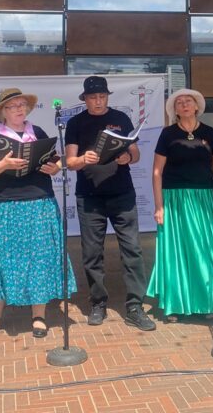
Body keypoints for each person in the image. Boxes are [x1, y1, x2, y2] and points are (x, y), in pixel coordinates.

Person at [0, 87, 76, 339]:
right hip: (2, 206)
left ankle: (38, 315)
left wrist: (55, 167)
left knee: (39, 259)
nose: (20, 109)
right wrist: (3, 164)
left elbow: (57, 162)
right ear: (3, 112)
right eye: (13, 106)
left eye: (22, 105)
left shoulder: (37, 132)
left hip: (38, 203)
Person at [65, 75, 155, 331]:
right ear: (85, 99)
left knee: (132, 249)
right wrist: (83, 159)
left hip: (122, 193)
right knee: (92, 253)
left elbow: (135, 153)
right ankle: (98, 303)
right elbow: (70, 162)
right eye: (93, 97)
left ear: (107, 96)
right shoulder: (75, 123)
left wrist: (128, 157)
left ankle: (135, 306)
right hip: (89, 196)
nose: (98, 101)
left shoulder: (121, 118)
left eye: (102, 96)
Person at [147, 88, 213, 321]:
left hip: (204, 198)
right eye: (179, 102)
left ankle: (210, 302)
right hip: (174, 199)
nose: (184, 104)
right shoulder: (168, 134)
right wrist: (159, 206)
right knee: (177, 252)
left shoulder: (209, 132)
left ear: (197, 106)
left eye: (188, 101)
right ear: (175, 110)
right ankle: (176, 304)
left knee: (205, 250)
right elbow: (157, 172)